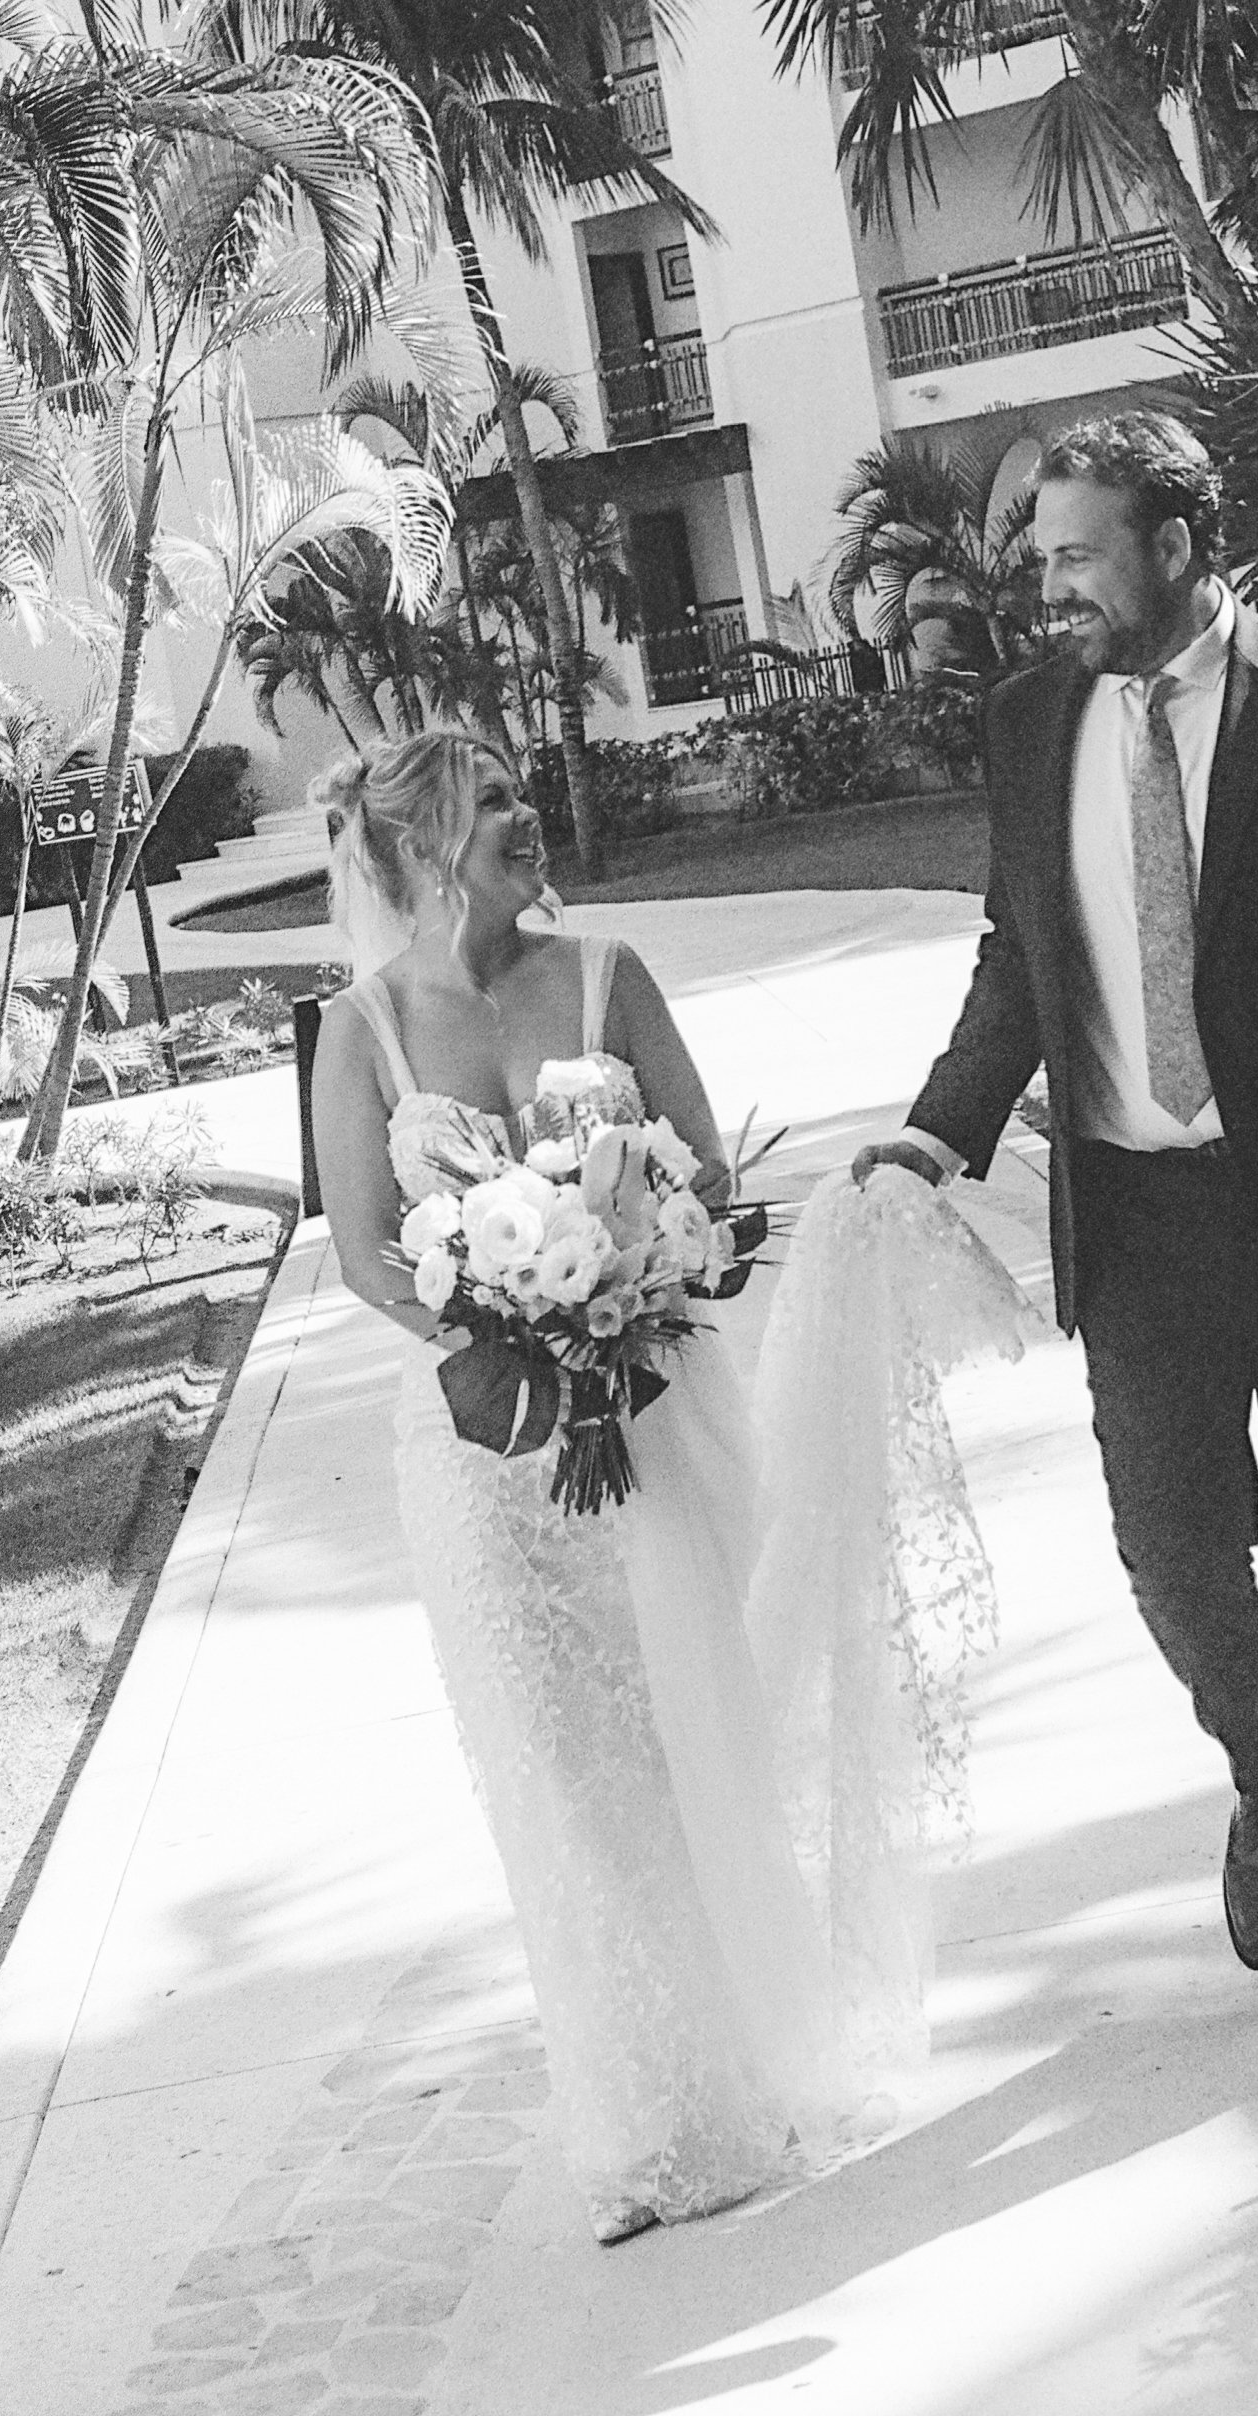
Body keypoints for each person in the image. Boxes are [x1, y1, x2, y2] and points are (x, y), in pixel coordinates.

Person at [309, 728, 1017, 2241]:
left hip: (654, 1414)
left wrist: (631, 1279)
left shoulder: (608, 975)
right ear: (430, 847)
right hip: (482, 1451)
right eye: (497, 801)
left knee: (703, 1734)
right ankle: (645, 2124)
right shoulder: (360, 1031)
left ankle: (762, 2068)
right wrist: (503, 1320)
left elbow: (717, 1181)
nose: (528, 817)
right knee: (566, 1784)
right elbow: (369, 1249)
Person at [856, 411, 1258, 2077]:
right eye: (1041, 553)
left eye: (1077, 552)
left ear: (1180, 542)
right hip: (1137, 1224)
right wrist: (941, 1124)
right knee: (1174, 1559)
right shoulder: (1030, 718)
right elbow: (1021, 958)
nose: (1046, 583)